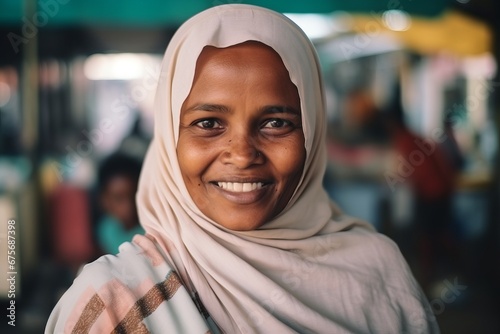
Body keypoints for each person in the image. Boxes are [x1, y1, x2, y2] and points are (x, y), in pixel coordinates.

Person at [46, 5, 438, 333]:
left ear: (312, 134)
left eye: (276, 123)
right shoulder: (115, 305)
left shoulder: (380, 277)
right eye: (208, 123)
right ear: (169, 138)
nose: (242, 154)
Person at [95, 153, 145, 254]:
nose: (129, 206)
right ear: (104, 200)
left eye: (134, 196)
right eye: (119, 198)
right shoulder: (106, 229)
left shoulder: (152, 227)